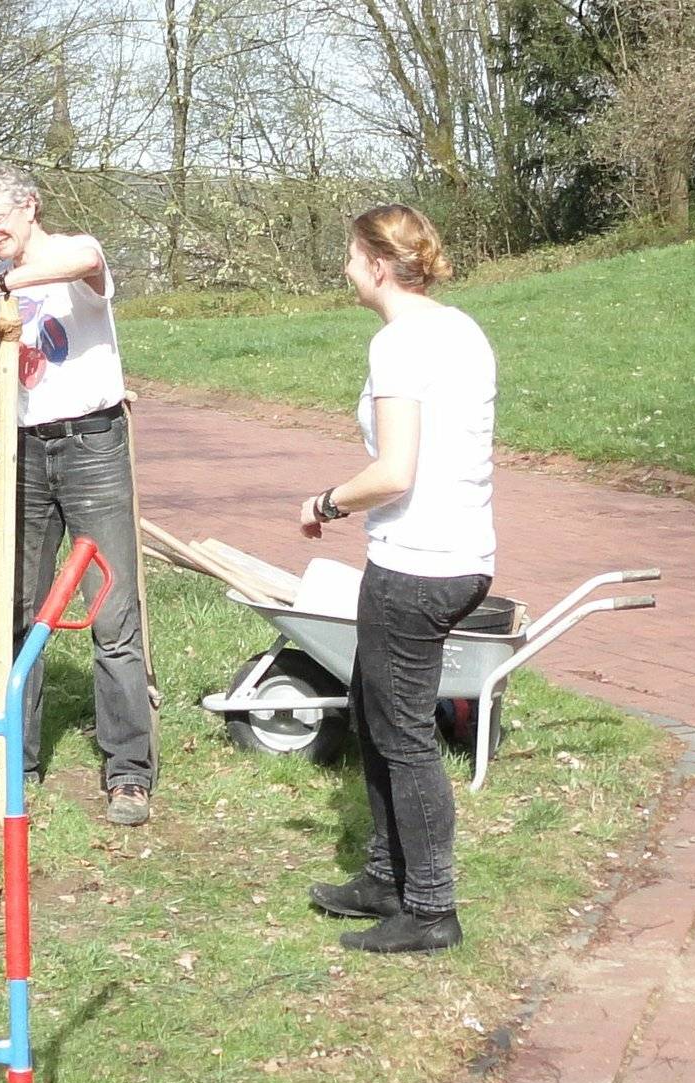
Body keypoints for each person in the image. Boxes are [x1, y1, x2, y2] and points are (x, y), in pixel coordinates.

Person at [0, 162, 157, 827]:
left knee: (112, 610)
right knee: (20, 610)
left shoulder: (76, 257)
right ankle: (18, 758)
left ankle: (128, 772)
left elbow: (83, 260)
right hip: (23, 453)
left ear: (31, 207)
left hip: (92, 445)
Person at [301, 205, 496, 955]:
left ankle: (431, 909)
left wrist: (324, 503)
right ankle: (387, 876)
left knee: (405, 735)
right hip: (462, 554)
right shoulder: (461, 328)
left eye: (351, 256)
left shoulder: (399, 343)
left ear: (379, 264)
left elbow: (395, 471)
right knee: (371, 711)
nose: (346, 269)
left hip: (417, 563)